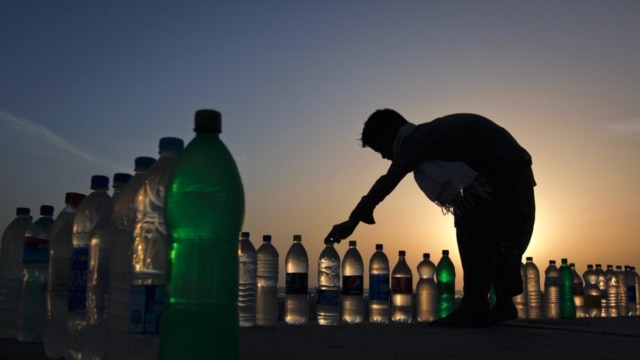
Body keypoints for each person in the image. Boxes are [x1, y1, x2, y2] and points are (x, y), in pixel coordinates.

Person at [325, 108, 536, 327]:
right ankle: (500, 303)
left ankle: (475, 306)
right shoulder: (429, 135)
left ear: (389, 134)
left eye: (381, 149)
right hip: (511, 174)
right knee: (493, 240)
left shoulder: (416, 139)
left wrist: (354, 218)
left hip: (506, 176)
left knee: (470, 224)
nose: (385, 156)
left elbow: (389, 178)